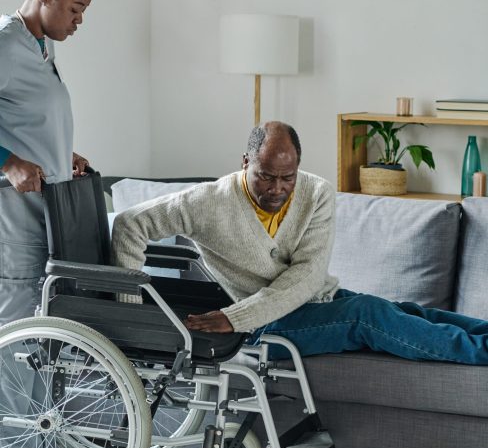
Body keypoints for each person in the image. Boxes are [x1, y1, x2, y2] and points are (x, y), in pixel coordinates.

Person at [111, 121, 488, 366]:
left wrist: (233, 316)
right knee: (367, 316)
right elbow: (130, 224)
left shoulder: (317, 192)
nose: (277, 189)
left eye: (287, 178)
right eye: (265, 177)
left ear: (299, 167)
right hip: (259, 325)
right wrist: (130, 311)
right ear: (245, 162)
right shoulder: (208, 202)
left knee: (399, 310)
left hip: (311, 300)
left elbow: (309, 276)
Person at [0, 0, 93, 448]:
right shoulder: (6, 42)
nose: (80, 21)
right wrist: (8, 163)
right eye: (75, 9)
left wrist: (64, 156)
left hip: (46, 206)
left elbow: (31, 117)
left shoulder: (40, 46)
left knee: (42, 334)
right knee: (17, 334)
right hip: (13, 212)